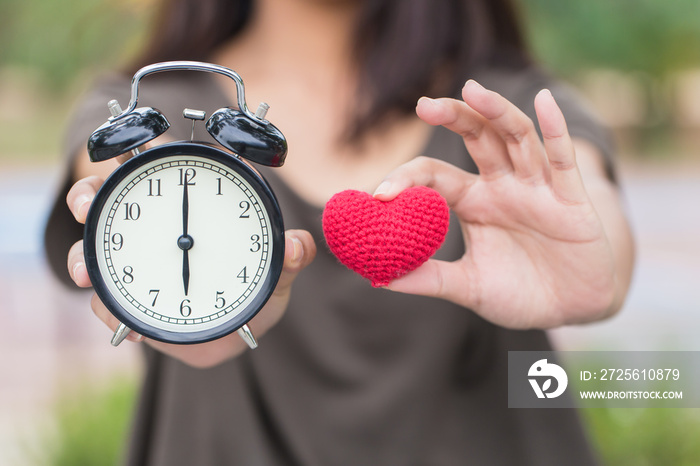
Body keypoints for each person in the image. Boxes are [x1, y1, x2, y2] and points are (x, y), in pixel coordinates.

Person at [44, 0, 634, 464]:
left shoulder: (504, 110)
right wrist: (191, 320)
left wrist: (597, 273)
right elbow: (117, 184)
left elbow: (593, 212)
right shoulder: (139, 111)